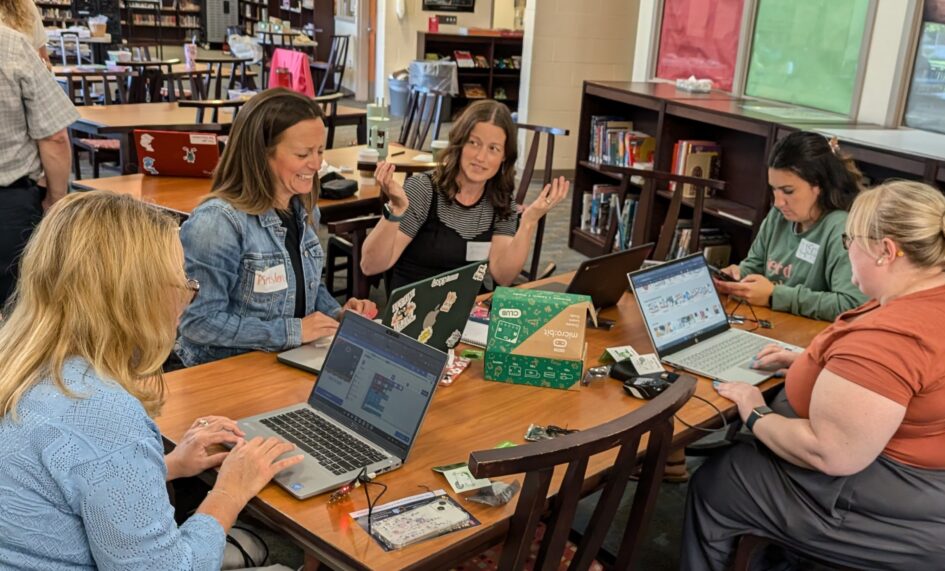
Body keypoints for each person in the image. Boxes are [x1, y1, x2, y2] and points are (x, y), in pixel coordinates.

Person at [682, 180, 945, 570]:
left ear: (886, 252)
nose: (847, 250)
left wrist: (753, 410)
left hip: (907, 514)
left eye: (849, 240)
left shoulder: (890, 338)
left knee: (721, 479)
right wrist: (815, 363)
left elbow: (830, 452)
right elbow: (907, 378)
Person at [0, 191, 303, 569]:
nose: (187, 292)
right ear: (136, 296)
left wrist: (166, 465)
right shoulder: (103, 413)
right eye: (179, 279)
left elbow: (71, 476)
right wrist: (230, 490)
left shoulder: (18, 360)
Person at [176, 88, 376, 368]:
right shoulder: (218, 223)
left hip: (286, 360)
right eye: (303, 153)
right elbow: (197, 323)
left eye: (320, 151)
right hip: (225, 371)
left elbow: (304, 285)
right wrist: (292, 331)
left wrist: (335, 313)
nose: (317, 164)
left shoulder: (303, 208)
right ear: (261, 155)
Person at [359, 99, 569, 290]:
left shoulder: (501, 200)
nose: (481, 157)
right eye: (474, 143)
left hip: (470, 315)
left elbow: (503, 275)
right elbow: (370, 266)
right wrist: (396, 210)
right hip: (415, 315)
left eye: (493, 148)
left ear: (504, 156)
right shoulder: (423, 189)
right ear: (459, 143)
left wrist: (529, 221)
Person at [714, 131, 868, 322]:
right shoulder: (779, 216)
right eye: (774, 189)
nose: (778, 202)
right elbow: (756, 264)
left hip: (809, 334)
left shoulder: (841, 229)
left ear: (819, 185)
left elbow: (851, 305)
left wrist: (774, 296)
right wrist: (738, 276)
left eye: (788, 191)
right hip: (772, 323)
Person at [0, 24, 76, 306]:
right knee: (18, 310)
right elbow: (54, 136)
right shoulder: (10, 45)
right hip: (9, 205)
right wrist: (56, 200)